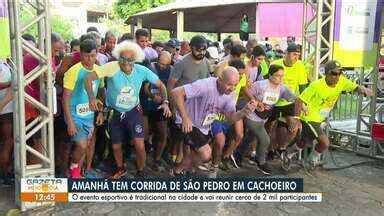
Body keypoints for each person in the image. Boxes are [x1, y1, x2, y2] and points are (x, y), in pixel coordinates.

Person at [85, 41, 171, 178]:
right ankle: (120, 168)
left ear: (135, 60)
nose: (125, 63)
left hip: (133, 112)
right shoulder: (112, 67)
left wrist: (165, 102)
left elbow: (161, 85)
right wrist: (91, 98)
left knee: (139, 144)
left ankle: (141, 170)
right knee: (115, 146)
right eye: (122, 59)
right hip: (115, 112)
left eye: (130, 59)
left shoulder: (142, 70)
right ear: (118, 58)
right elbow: (88, 78)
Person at [170, 67, 257, 176]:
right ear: (220, 79)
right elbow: (176, 92)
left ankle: (181, 171)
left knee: (193, 155)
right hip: (188, 122)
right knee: (206, 154)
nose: (232, 88)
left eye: (235, 85)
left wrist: (244, 112)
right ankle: (178, 170)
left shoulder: (229, 94)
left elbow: (230, 117)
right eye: (229, 84)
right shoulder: (205, 85)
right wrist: (185, 118)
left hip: (204, 126)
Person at [286, 60, 372, 168]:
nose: (337, 76)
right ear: (327, 73)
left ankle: (288, 153)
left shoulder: (342, 81)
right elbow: (299, 100)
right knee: (325, 143)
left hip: (321, 118)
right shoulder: (316, 86)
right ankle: (312, 159)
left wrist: (363, 89)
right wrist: (297, 119)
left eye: (339, 73)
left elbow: (354, 87)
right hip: (310, 118)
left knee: (304, 142)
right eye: (334, 73)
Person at [239, 65, 296, 175]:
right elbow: (245, 92)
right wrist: (255, 102)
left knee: (249, 138)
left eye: (282, 76)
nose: (280, 78)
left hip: (263, 118)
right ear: (270, 75)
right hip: (251, 115)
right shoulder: (260, 85)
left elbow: (292, 98)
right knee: (265, 140)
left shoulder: (282, 88)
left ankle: (237, 155)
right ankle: (261, 162)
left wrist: (301, 104)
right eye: (278, 76)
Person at [62, 39, 104, 178]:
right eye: (86, 56)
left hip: (89, 116)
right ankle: (73, 169)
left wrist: (100, 112)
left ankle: (76, 174)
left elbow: (101, 92)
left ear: (97, 54)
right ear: (80, 54)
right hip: (74, 115)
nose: (90, 59)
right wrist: (70, 122)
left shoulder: (99, 70)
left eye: (93, 55)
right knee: (81, 145)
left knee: (85, 145)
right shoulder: (73, 72)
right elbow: (65, 99)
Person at [167, 35, 211, 165]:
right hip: (182, 104)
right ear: (191, 48)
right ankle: (178, 165)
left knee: (192, 139)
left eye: (204, 50)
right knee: (183, 137)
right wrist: (172, 105)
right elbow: (171, 84)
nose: (201, 53)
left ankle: (185, 165)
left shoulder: (206, 62)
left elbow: (208, 82)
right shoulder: (181, 63)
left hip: (199, 107)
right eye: (198, 50)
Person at [268, 43, 307, 156]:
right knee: (270, 127)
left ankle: (282, 148)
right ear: (286, 54)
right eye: (294, 54)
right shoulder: (275, 64)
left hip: (289, 102)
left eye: (298, 55)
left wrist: (302, 104)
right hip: (273, 101)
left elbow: (303, 88)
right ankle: (270, 149)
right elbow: (267, 82)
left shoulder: (300, 66)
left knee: (293, 127)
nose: (296, 57)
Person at [143, 51, 173, 171]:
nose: (162, 67)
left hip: (162, 106)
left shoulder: (172, 70)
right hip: (147, 104)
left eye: (165, 65)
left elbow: (172, 88)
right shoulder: (150, 68)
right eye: (161, 64)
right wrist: (152, 96)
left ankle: (157, 159)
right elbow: (145, 88)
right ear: (157, 59)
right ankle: (143, 158)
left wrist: (167, 103)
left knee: (163, 134)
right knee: (144, 135)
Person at [0, 60, 13, 184]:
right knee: (7, 142)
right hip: (5, 109)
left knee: (7, 142)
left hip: (7, 107)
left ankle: (6, 172)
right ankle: (4, 174)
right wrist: (10, 84)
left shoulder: (5, 62)